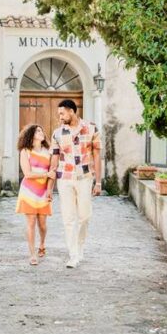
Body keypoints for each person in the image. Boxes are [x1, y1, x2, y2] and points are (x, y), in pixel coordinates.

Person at [49, 99, 102, 268]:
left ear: (71, 111)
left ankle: (79, 247)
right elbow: (54, 161)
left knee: (85, 216)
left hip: (85, 178)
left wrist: (99, 182)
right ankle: (73, 254)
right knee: (68, 218)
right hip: (64, 178)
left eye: (62, 113)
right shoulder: (57, 133)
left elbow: (97, 156)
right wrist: (50, 188)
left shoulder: (92, 128)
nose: (60, 117)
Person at [16, 124, 54, 266]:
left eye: (41, 129)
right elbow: (27, 174)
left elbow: (53, 174)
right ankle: (32, 254)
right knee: (30, 222)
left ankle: (42, 244)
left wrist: (50, 189)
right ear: (31, 135)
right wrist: (46, 174)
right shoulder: (25, 151)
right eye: (38, 130)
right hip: (28, 191)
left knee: (42, 224)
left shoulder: (49, 151)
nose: (41, 132)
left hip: (43, 191)